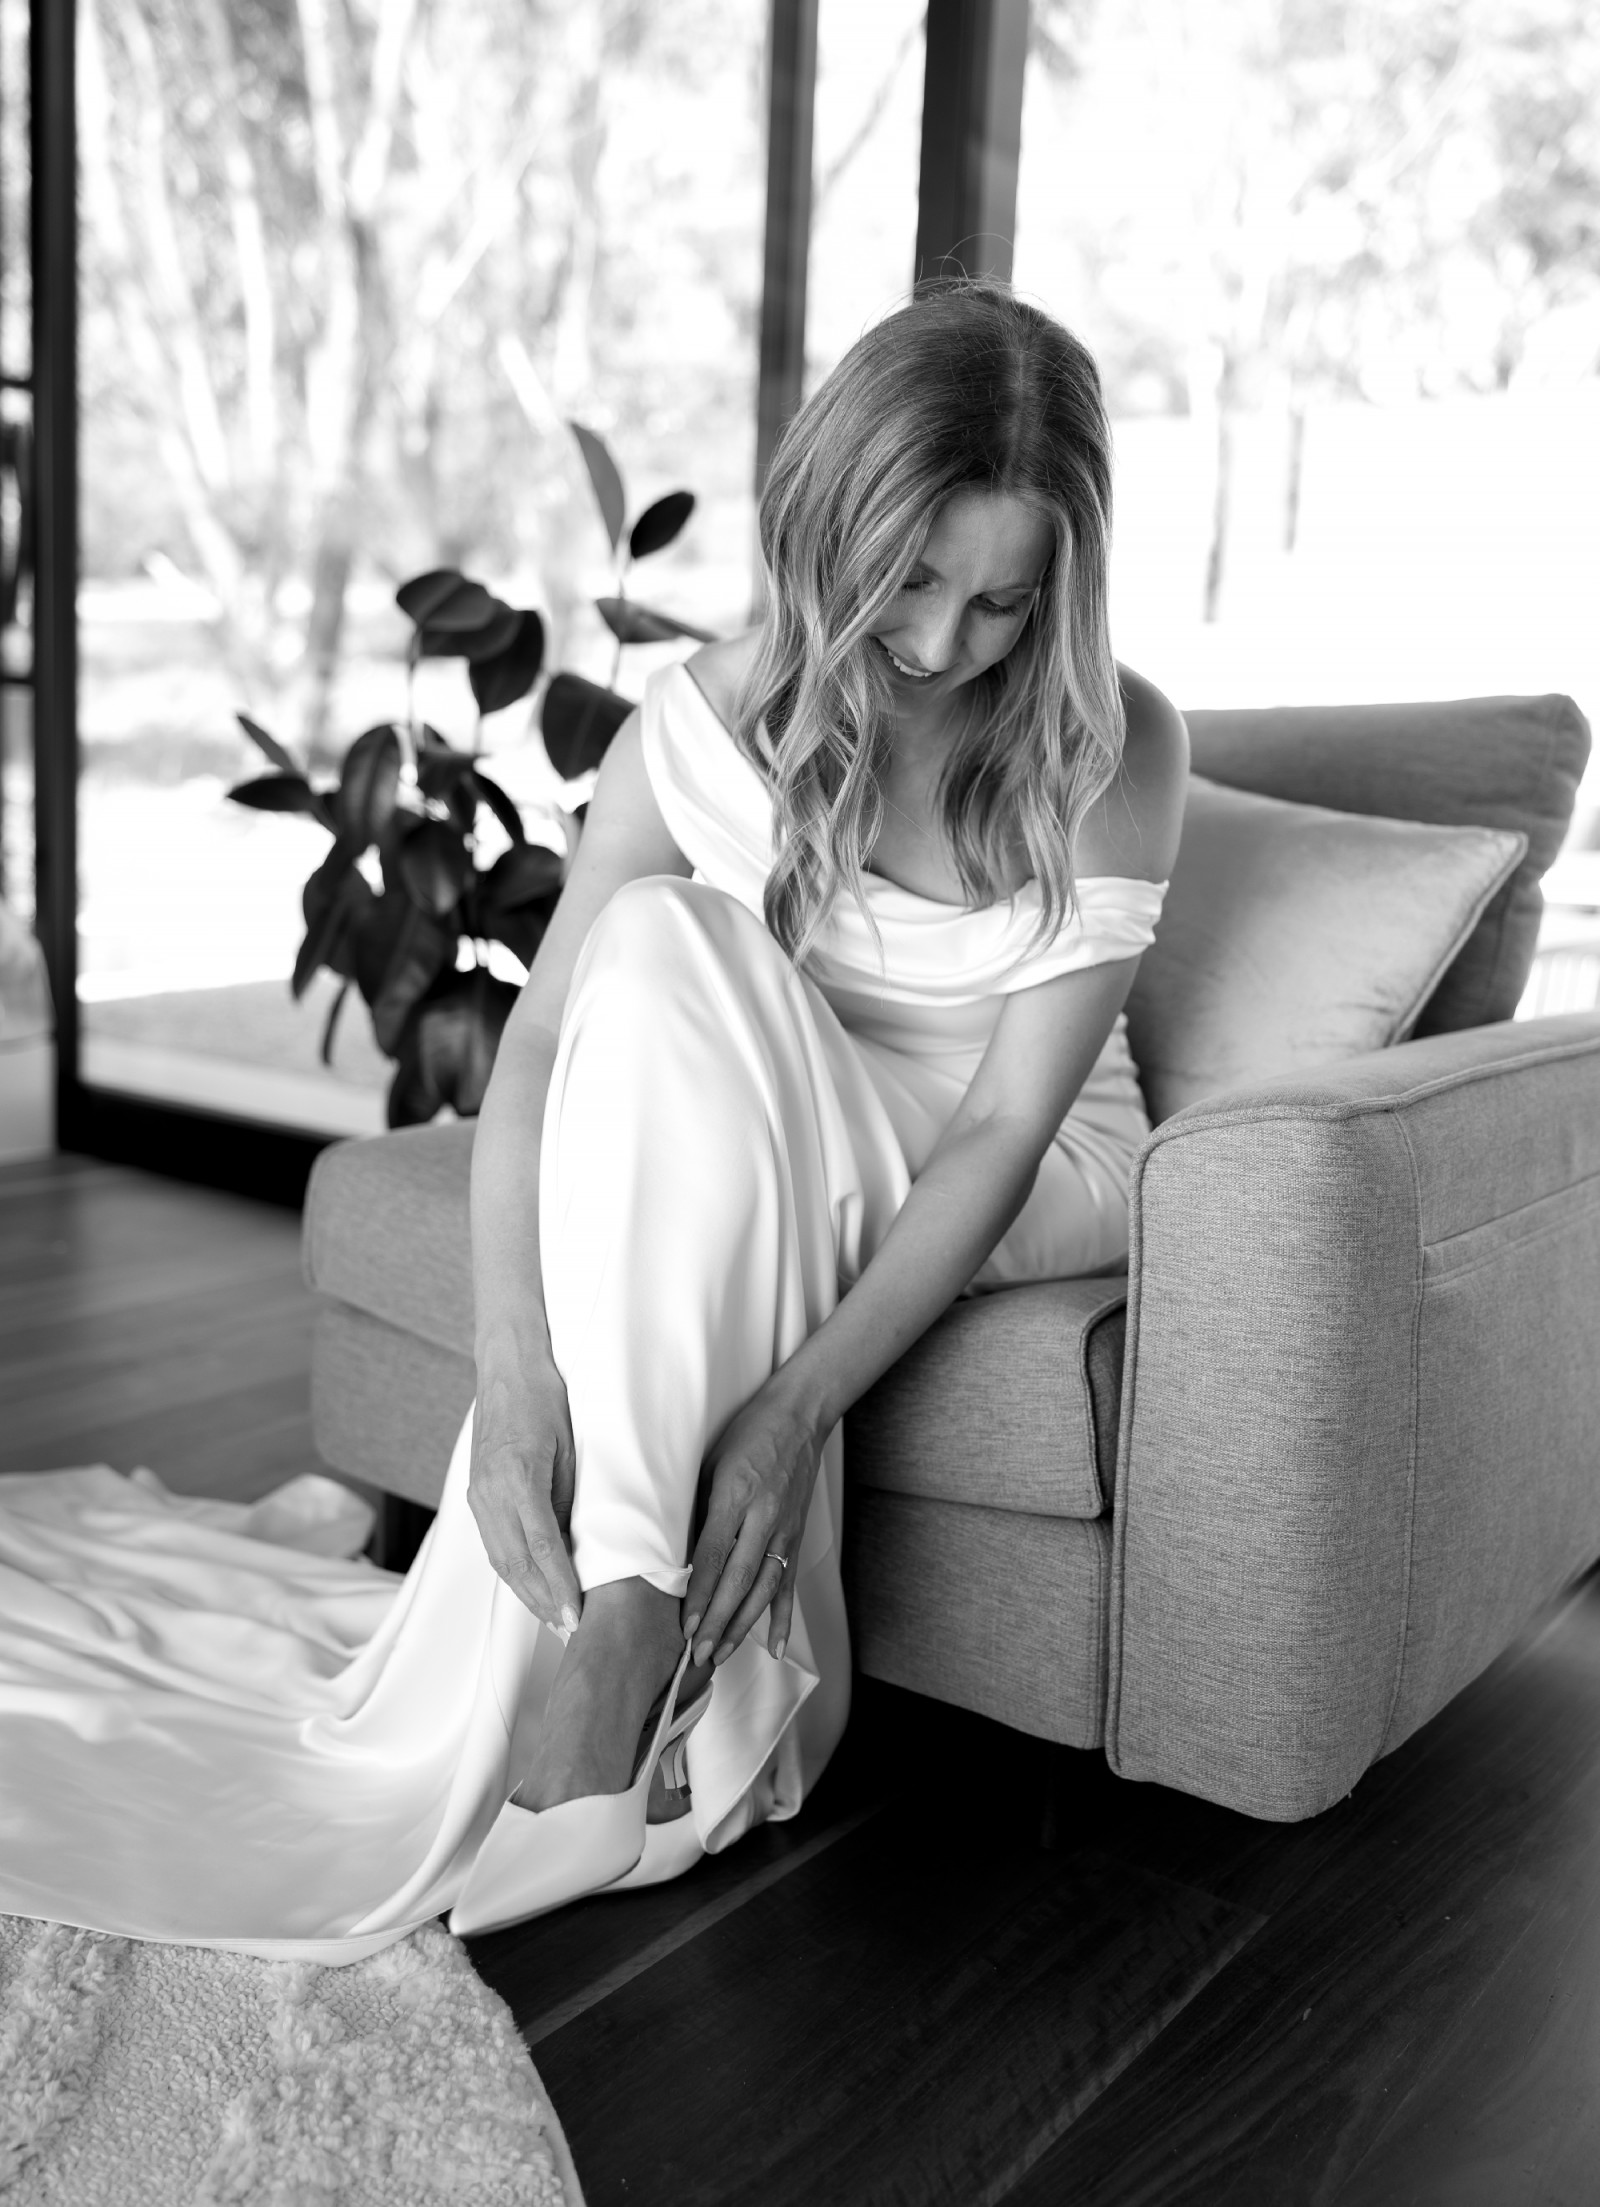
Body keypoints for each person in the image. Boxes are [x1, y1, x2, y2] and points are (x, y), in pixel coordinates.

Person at [0, 281, 1184, 1957]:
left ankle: (621, 1634)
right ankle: (631, 1593)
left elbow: (1000, 1125)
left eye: (1003, 602)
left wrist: (795, 1411)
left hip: (1028, 1155)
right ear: (832, 532)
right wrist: (515, 1377)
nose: (939, 647)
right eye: (910, 582)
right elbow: (547, 1049)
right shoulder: (707, 717)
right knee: (653, 943)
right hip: (778, 1101)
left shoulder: (1111, 743)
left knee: (682, 973)